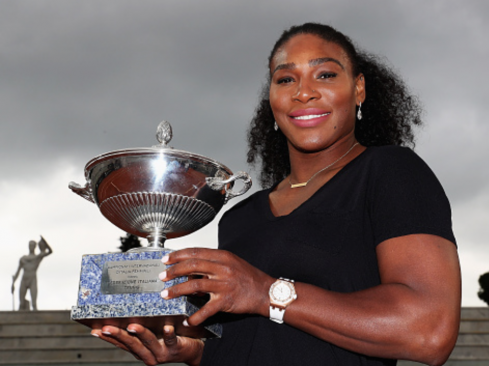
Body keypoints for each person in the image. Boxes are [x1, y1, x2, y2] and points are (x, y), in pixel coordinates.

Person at [93, 23, 461, 366]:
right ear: (272, 99)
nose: (303, 92)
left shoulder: (390, 172)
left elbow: (429, 330)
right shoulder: (240, 216)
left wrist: (265, 291)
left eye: (326, 74)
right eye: (286, 79)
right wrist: (197, 351)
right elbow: (263, 339)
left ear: (359, 88)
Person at [12, 237, 53, 311]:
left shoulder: (38, 257)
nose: (31, 247)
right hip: (24, 280)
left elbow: (50, 251)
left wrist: (45, 244)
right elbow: (18, 271)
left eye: (33, 245)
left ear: (35, 247)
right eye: (30, 245)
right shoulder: (23, 258)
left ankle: (37, 320)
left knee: (34, 304)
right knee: (21, 304)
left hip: (32, 280)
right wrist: (13, 282)